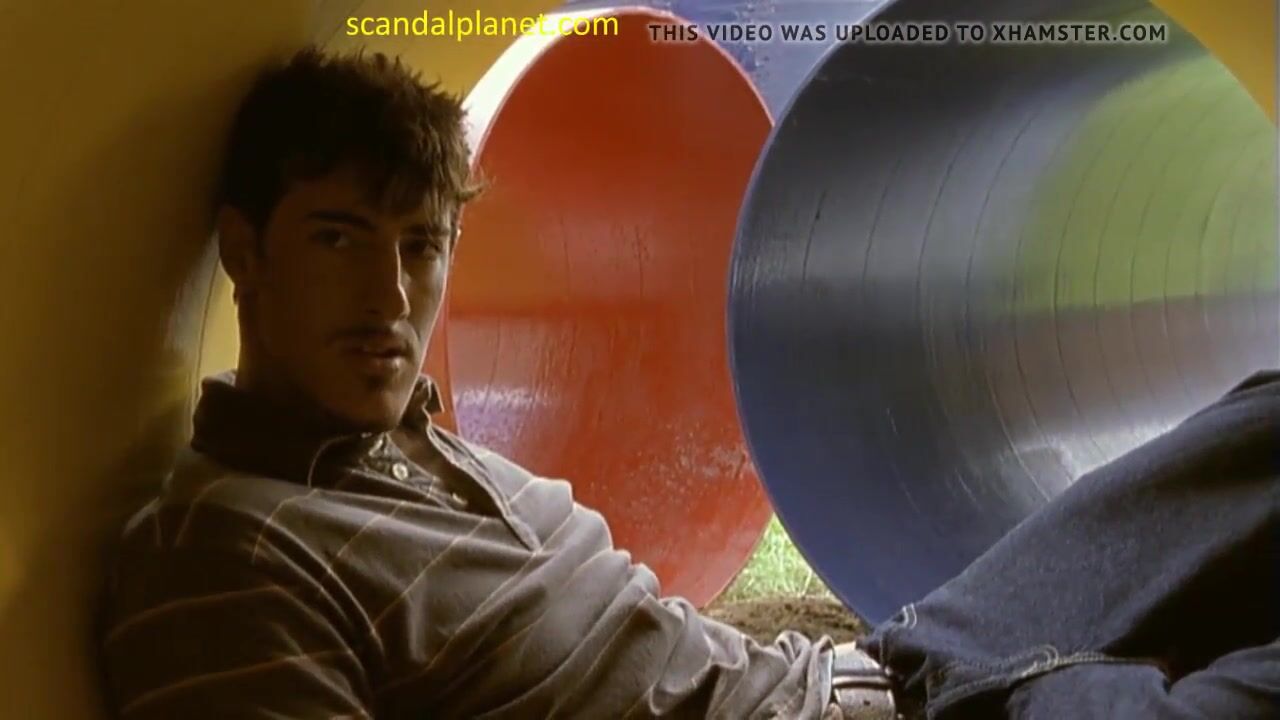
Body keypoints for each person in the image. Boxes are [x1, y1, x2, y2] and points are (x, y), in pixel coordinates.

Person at [97, 45, 1277, 719]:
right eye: (338, 239)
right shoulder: (222, 556)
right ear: (244, 253)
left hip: (886, 668)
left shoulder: (413, 442)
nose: (391, 297)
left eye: (421, 246)